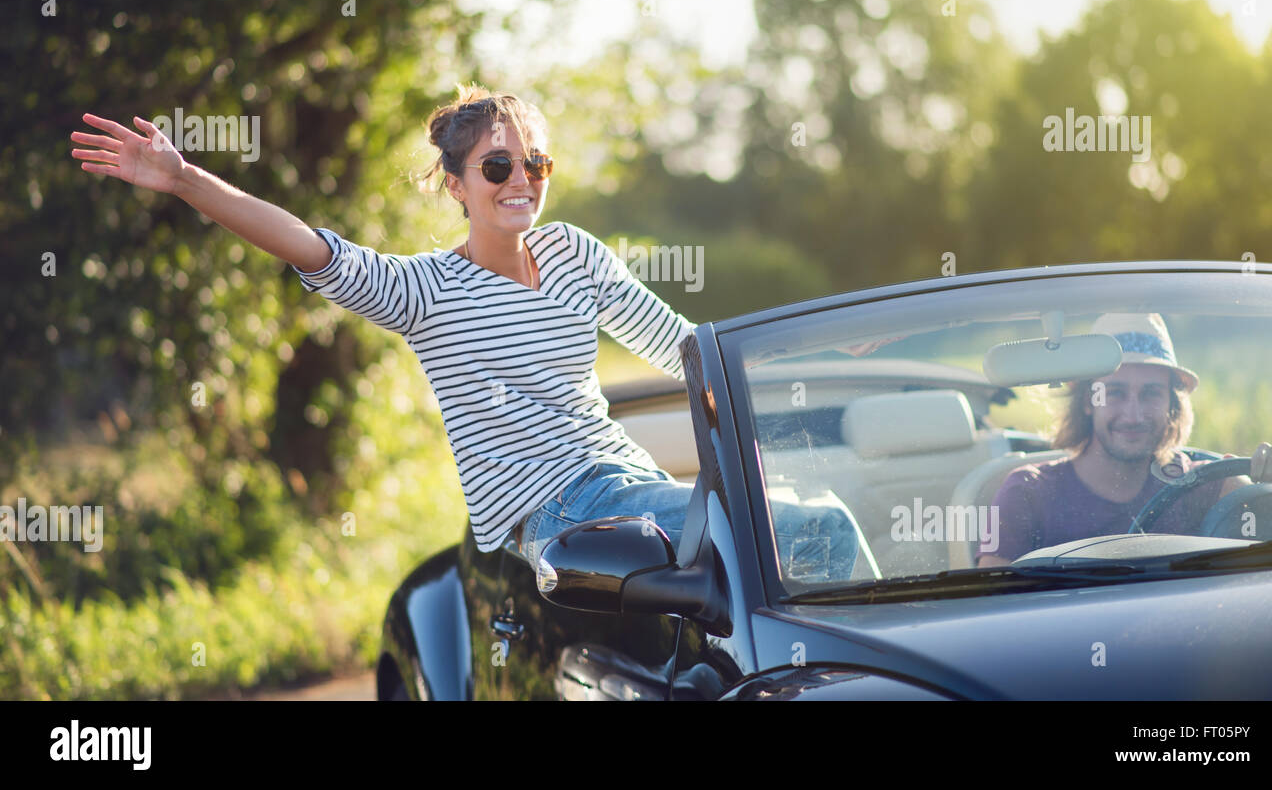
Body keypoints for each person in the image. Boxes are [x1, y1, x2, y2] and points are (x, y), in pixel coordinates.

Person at [70, 84, 862, 583]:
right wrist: (182, 179)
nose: (520, 180)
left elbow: (683, 345)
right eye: (496, 168)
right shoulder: (426, 291)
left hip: (627, 478)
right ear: (456, 184)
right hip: (561, 514)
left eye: (534, 165)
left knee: (814, 515)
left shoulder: (573, 252)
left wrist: (817, 353)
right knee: (801, 532)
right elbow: (309, 244)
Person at [976, 312, 1272, 567]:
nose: (1133, 415)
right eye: (1115, 393)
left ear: (1172, 405)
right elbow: (990, 604)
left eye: (1151, 393)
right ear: (1089, 400)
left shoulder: (1207, 486)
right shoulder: (1026, 493)